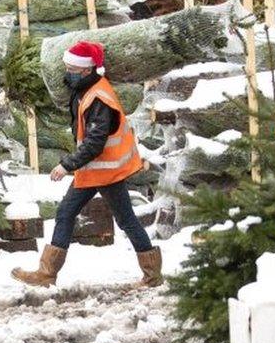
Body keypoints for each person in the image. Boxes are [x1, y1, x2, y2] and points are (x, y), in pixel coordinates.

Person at [11, 41, 162, 288]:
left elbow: (94, 143)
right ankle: (47, 273)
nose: (66, 71)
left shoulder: (99, 99)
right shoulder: (86, 88)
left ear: (85, 69)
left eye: (71, 67)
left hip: (104, 171)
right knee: (101, 217)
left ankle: (47, 273)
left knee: (101, 217)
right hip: (97, 170)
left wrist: (66, 165)